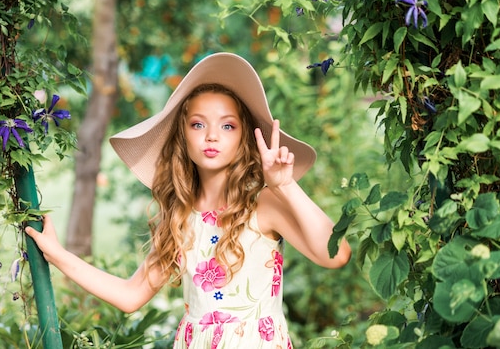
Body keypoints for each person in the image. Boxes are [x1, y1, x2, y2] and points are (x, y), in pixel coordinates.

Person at [25, 52, 352, 348]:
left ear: (243, 138)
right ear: (183, 135)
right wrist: (57, 255)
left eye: (227, 125)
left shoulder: (263, 205)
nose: (212, 135)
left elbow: (335, 255)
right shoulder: (180, 216)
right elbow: (129, 295)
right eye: (198, 124)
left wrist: (285, 185)